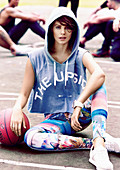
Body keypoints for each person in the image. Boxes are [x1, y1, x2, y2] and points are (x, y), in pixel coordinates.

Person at [10, 7, 120, 170]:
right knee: (31, 138)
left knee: (98, 84)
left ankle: (99, 147)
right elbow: (24, 93)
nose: (63, 32)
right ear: (51, 29)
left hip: (81, 115)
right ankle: (97, 140)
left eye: (68, 27)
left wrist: (79, 103)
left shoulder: (80, 54)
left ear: (74, 31)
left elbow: (99, 74)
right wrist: (17, 109)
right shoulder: (35, 58)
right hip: (57, 121)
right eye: (58, 27)